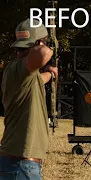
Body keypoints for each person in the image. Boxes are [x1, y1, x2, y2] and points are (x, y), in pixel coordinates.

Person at [0, 18, 58, 180]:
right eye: (43, 42)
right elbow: (44, 54)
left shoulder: (25, 75)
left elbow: (41, 79)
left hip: (18, 164)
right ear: (38, 43)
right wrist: (42, 46)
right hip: (21, 166)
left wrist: (51, 73)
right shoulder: (18, 69)